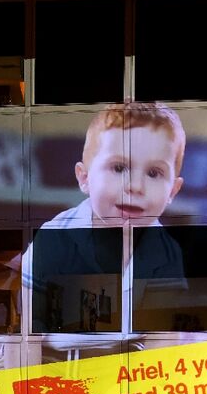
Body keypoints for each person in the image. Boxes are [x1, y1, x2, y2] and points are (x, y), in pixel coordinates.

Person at [10, 101, 189, 334]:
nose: (135, 186)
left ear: (172, 192)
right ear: (84, 178)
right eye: (118, 168)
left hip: (129, 362)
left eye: (154, 173)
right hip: (57, 359)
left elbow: (165, 333)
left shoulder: (166, 251)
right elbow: (28, 328)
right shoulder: (55, 238)